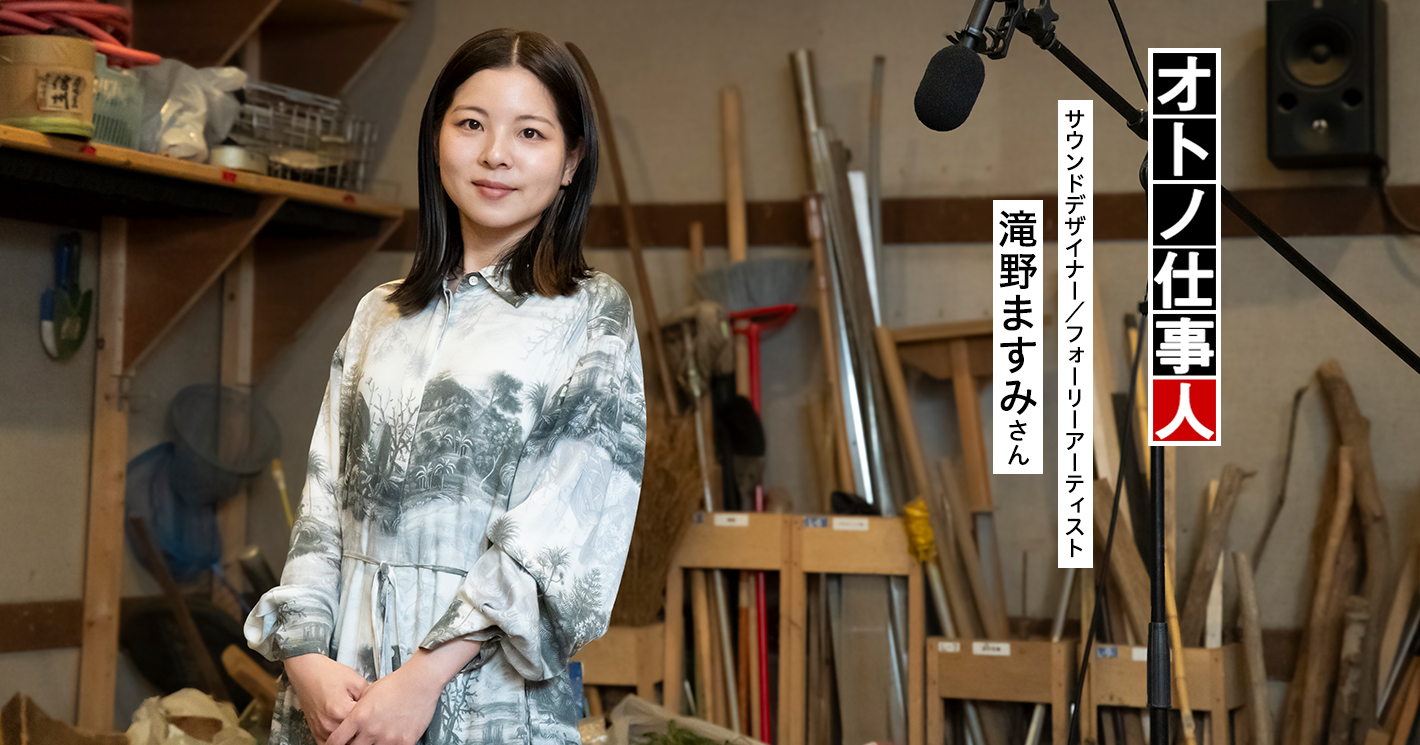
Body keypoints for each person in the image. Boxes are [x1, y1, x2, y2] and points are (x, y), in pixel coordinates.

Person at [244, 28, 647, 745]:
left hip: (485, 700)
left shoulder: (591, 315)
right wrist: (303, 657)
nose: (496, 154)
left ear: (570, 161)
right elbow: (321, 506)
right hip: (340, 692)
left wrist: (421, 680)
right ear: (437, 139)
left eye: (530, 132)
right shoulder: (379, 313)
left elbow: (558, 540)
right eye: (471, 124)